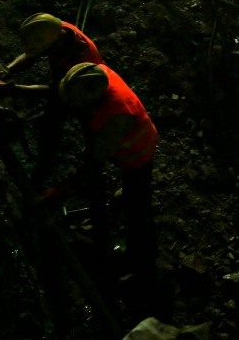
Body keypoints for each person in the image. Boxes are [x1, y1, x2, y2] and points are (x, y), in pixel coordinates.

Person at [44, 62, 162, 321]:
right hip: (130, 145)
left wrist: (60, 192)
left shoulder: (115, 115)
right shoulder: (97, 73)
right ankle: (129, 200)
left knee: (137, 207)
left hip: (137, 154)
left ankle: (141, 257)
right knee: (130, 193)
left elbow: (95, 164)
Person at [0, 13, 104, 185]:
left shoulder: (81, 60)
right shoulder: (53, 30)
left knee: (66, 131)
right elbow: (31, 55)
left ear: (55, 44)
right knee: (50, 123)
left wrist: (14, 89)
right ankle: (44, 165)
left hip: (86, 95)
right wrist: (7, 69)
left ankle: (50, 175)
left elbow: (54, 92)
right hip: (63, 82)